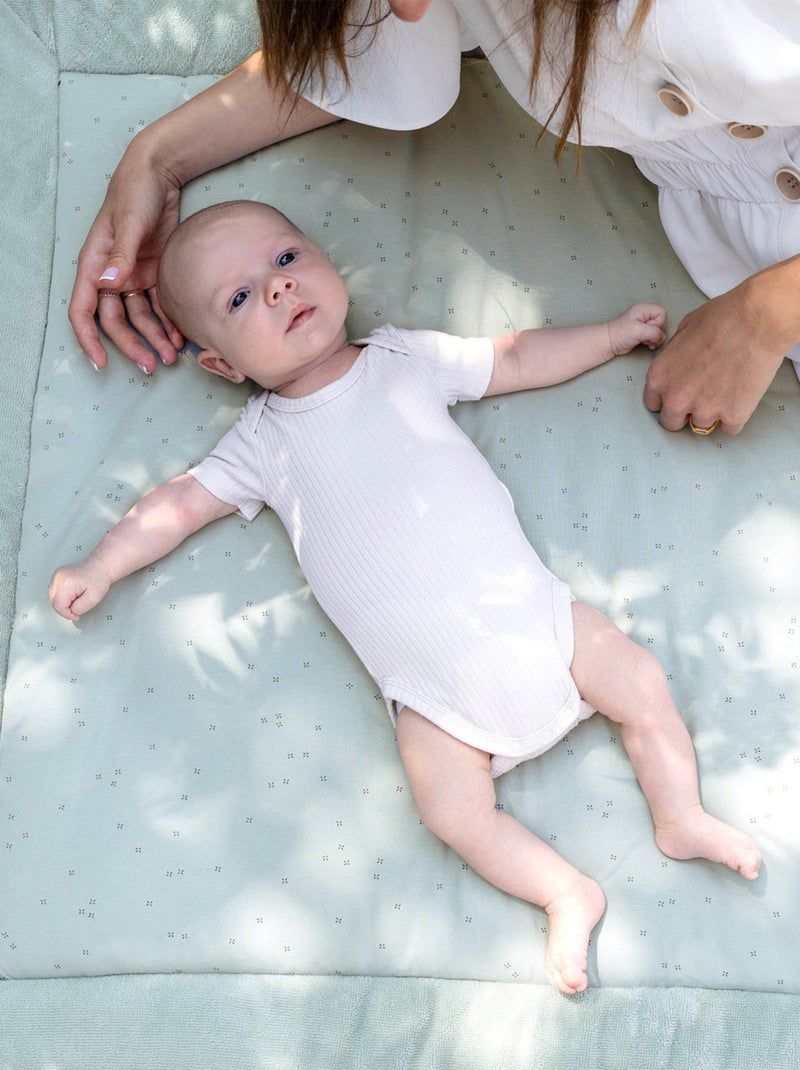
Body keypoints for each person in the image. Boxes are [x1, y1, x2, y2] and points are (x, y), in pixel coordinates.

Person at [52, 199, 762, 995]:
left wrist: (609, 335)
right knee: (451, 812)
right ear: (222, 365)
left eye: (285, 260)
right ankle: (566, 891)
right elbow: (176, 506)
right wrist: (103, 566)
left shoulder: (401, 360)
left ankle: (681, 815)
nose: (279, 290)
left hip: (540, 624)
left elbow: (516, 359)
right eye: (241, 299)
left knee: (640, 682)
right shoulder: (261, 443)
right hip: (435, 700)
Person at [70, 0, 800, 437]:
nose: (411, 10)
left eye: (287, 262)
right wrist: (157, 157)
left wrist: (766, 315)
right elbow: (356, 51)